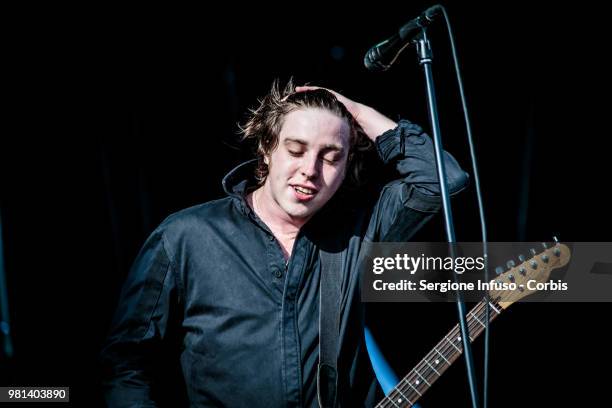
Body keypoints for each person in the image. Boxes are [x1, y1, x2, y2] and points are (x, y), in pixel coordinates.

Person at [100, 80, 469, 407]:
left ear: (346, 168)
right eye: (296, 150)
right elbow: (125, 363)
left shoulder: (360, 229)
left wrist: (357, 113)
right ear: (266, 148)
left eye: (331, 157)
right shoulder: (186, 236)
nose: (310, 169)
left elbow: (444, 180)